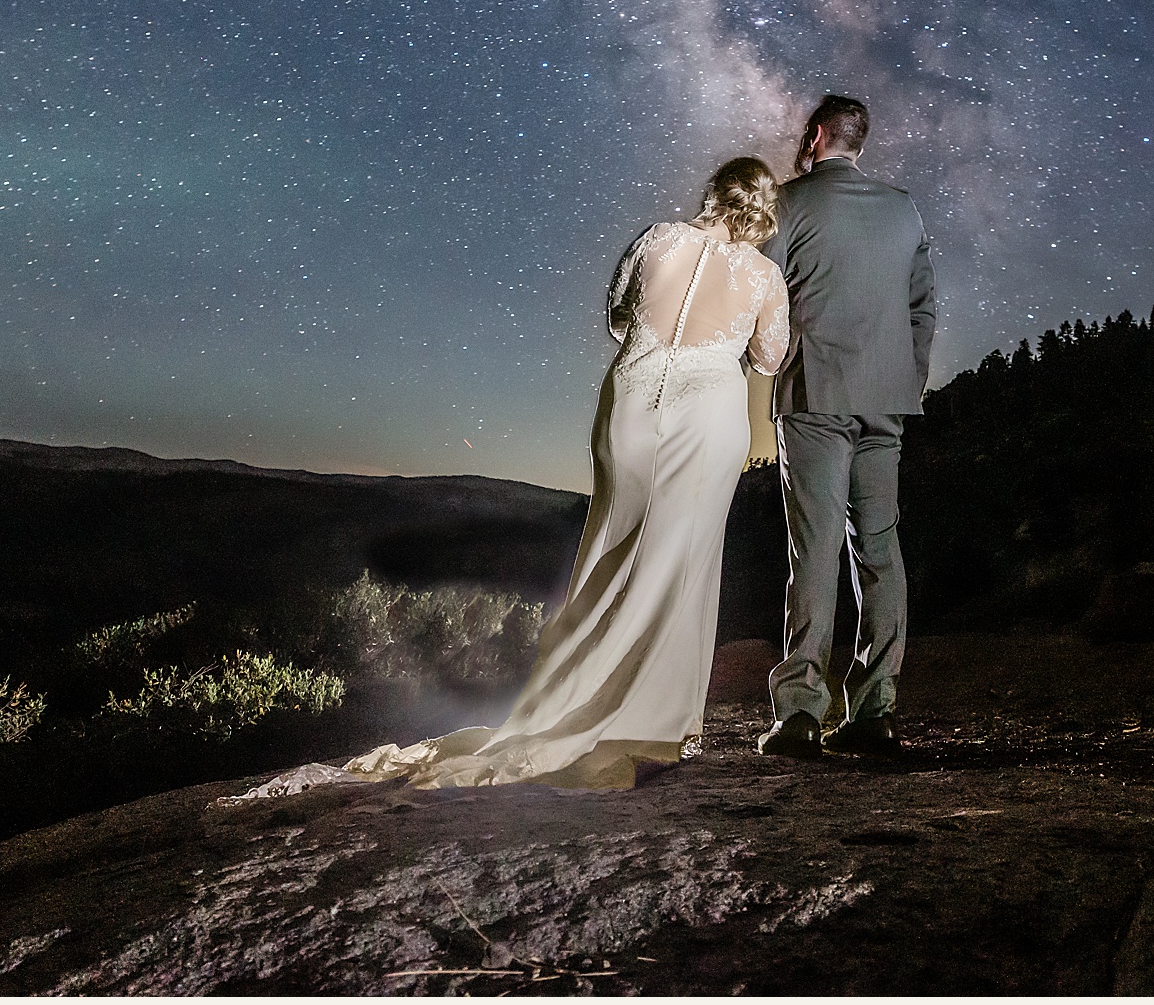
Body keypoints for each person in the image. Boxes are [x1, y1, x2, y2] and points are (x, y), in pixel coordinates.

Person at [249, 157, 791, 796]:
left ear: (714, 193)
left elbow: (619, 317)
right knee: (683, 559)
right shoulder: (763, 274)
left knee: (608, 547)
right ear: (763, 213)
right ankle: (652, 723)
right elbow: (770, 355)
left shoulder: (657, 239)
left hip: (633, 400)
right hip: (706, 418)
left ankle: (569, 698)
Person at [755, 95, 934, 761]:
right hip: (886, 399)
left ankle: (801, 713)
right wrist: (905, 379)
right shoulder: (905, 208)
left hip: (815, 393)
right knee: (880, 550)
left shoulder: (789, 201)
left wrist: (765, 359)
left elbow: (759, 290)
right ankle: (877, 711)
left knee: (816, 548)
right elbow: (923, 308)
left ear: (818, 135)